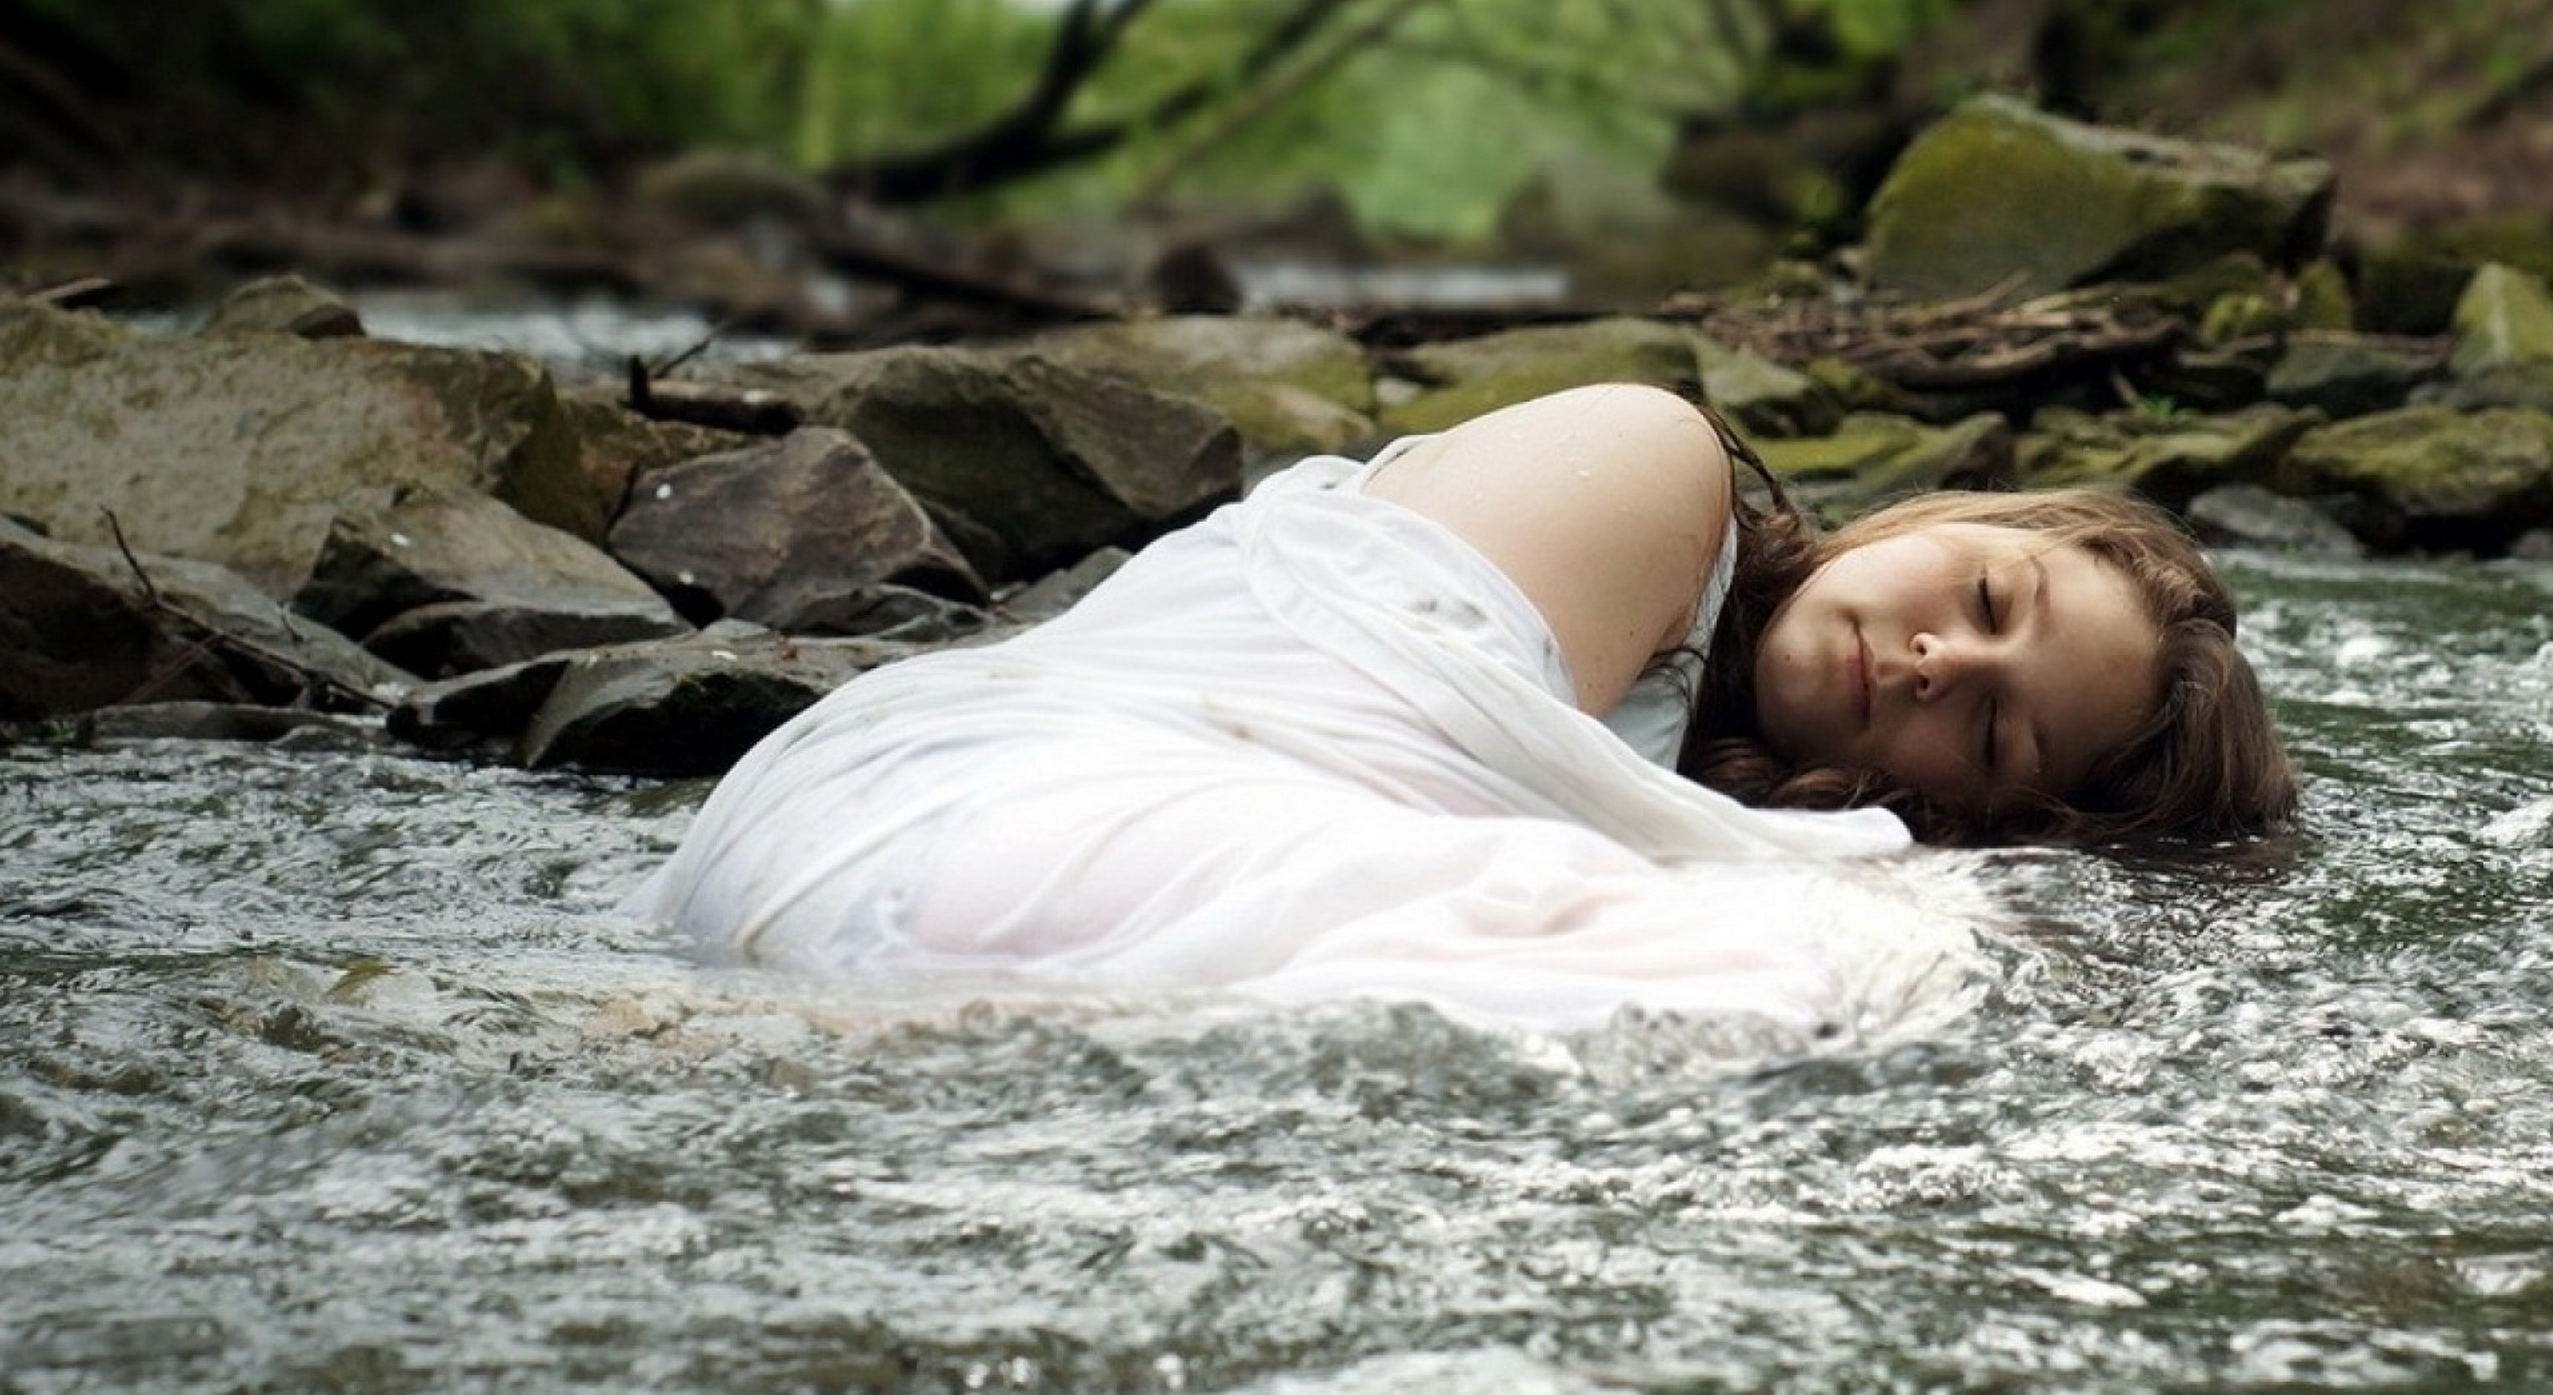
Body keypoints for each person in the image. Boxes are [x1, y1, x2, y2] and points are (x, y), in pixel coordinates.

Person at [626, 382, 2295, 1031]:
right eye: (1987, 599)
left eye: (1992, 730)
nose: (1938, 661)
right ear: (1952, 515)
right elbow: (1410, 736)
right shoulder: (1657, 467)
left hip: (927, 903)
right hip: (970, 808)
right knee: (1852, 965)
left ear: (1977, 799)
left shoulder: (1745, 793)